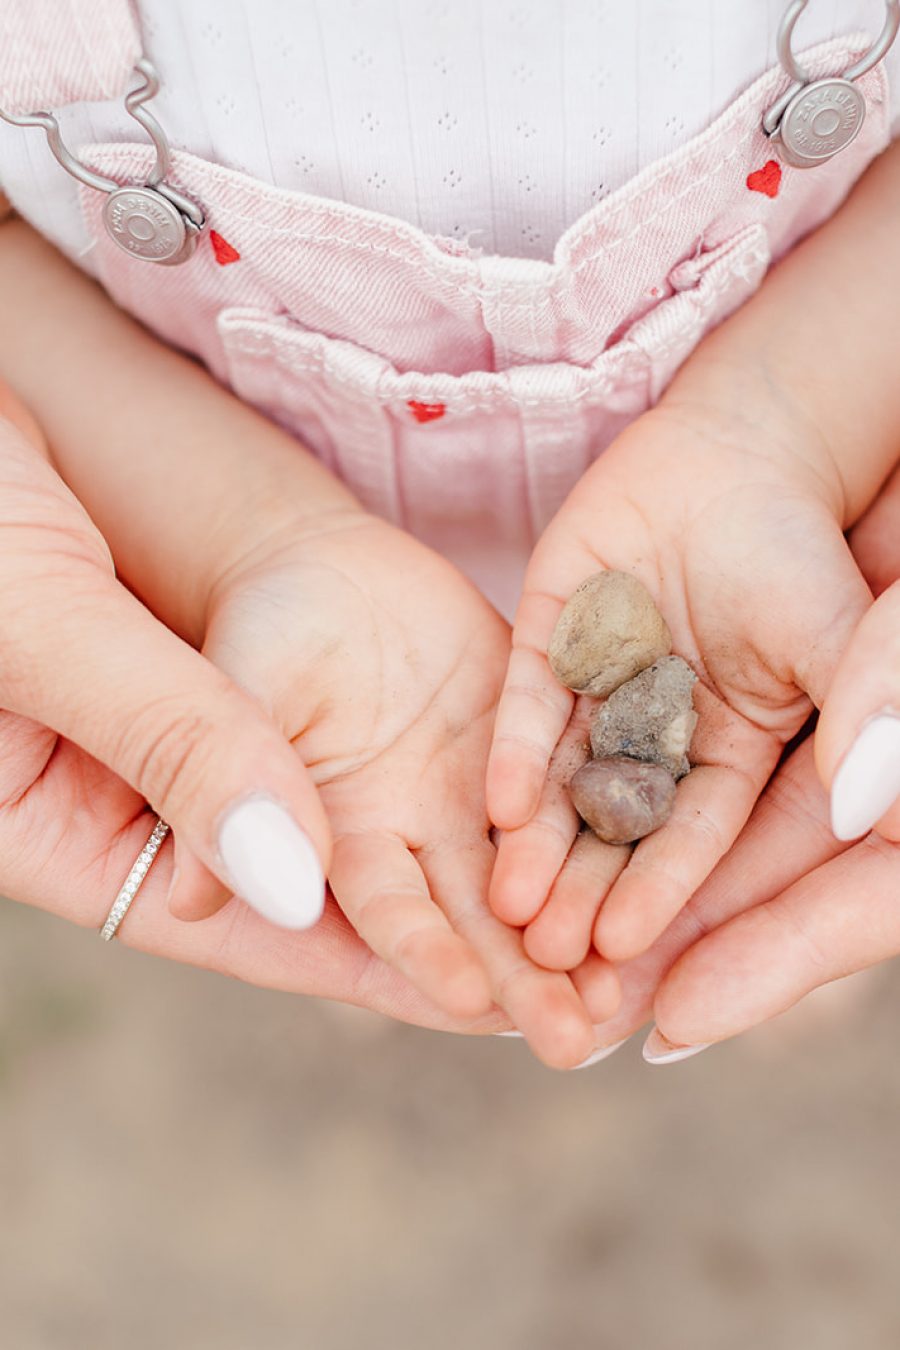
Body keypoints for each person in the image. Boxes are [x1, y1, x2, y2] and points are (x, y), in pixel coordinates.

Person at [1, 0, 900, 1069]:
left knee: (786, 831)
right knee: (394, 884)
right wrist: (238, 536)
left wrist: (794, 424)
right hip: (254, 572)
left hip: (804, 530)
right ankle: (356, 899)